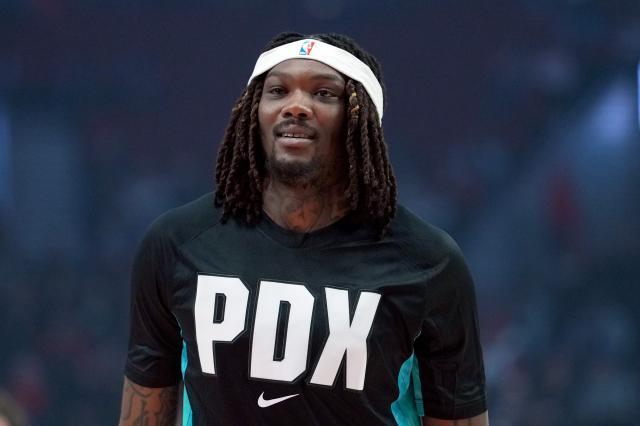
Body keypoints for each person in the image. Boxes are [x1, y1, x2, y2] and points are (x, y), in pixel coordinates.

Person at [119, 32, 488, 426]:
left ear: (361, 119)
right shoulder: (177, 243)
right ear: (253, 112)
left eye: (324, 94)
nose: (295, 106)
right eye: (278, 91)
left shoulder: (428, 262)